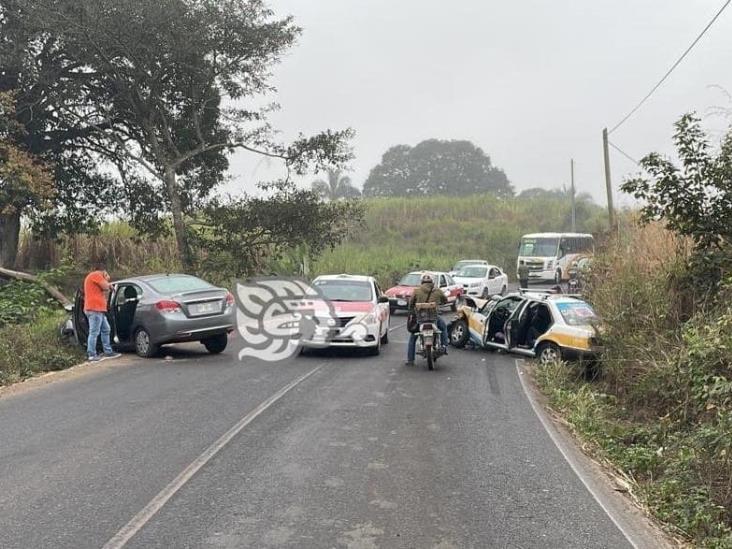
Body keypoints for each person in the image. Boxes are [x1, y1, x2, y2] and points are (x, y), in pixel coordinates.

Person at [405, 273, 448, 366]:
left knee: (413, 337)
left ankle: (410, 360)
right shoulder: (437, 291)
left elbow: (411, 305)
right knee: (444, 327)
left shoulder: (416, 291)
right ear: (432, 281)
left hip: (420, 320)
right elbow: (445, 300)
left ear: (422, 281)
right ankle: (444, 346)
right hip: (433, 319)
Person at [83, 265, 121, 362]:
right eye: (107, 275)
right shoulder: (96, 275)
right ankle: (91, 354)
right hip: (94, 309)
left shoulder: (94, 277)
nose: (108, 278)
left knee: (106, 329)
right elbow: (105, 287)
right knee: (94, 332)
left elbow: (105, 288)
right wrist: (109, 283)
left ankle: (108, 351)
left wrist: (109, 286)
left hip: (98, 310)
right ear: (104, 272)